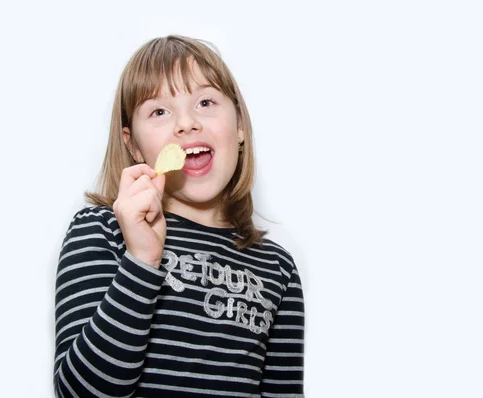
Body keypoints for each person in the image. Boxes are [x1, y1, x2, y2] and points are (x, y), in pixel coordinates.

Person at [53, 35, 305, 397]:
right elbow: (81, 392)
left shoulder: (277, 268)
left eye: (205, 102)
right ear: (135, 145)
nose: (186, 124)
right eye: (159, 111)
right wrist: (141, 261)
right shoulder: (102, 230)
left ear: (239, 128)